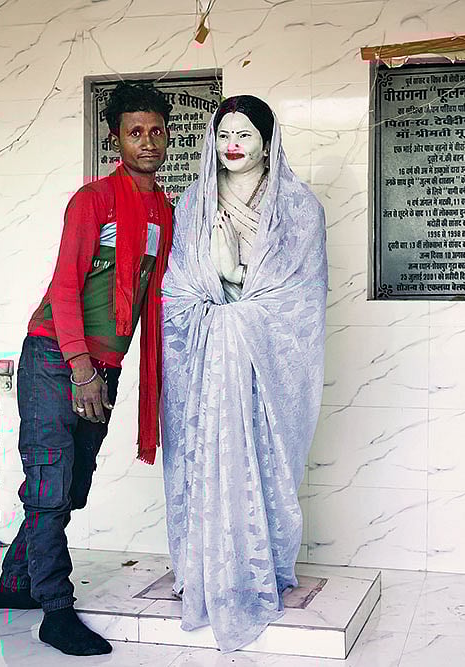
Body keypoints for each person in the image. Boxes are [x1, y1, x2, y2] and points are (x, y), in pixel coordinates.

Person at [0, 81, 174, 657]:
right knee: (49, 484)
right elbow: (65, 287)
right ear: (117, 139)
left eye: (156, 131)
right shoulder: (92, 200)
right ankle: (56, 610)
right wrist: (80, 369)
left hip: (105, 365)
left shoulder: (164, 211)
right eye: (135, 132)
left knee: (70, 486)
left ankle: (14, 582)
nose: (147, 141)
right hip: (56, 357)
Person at [160, 95, 328, 652]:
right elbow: (177, 288)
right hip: (208, 361)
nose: (232, 145)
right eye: (224, 134)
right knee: (206, 457)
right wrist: (220, 285)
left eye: (245, 135)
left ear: (267, 141)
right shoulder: (194, 202)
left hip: (264, 361)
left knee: (261, 456)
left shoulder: (297, 207)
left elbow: (300, 298)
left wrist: (236, 285)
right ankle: (204, 567)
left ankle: (260, 566)